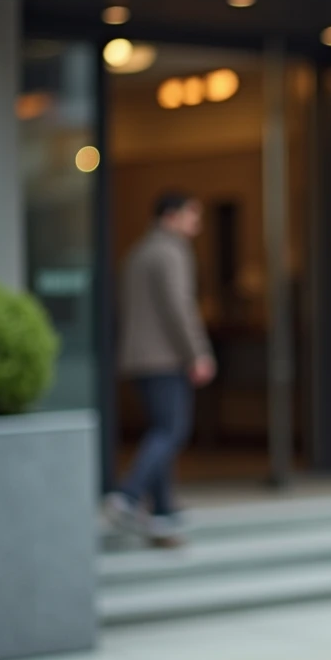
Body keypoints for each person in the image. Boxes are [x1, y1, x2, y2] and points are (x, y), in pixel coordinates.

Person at [105, 192, 216, 549]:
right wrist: (197, 353)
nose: (196, 226)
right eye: (192, 216)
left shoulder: (138, 252)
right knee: (171, 430)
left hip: (138, 357)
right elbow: (179, 306)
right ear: (171, 216)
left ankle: (163, 512)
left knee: (161, 430)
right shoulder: (171, 251)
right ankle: (129, 493)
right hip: (165, 358)